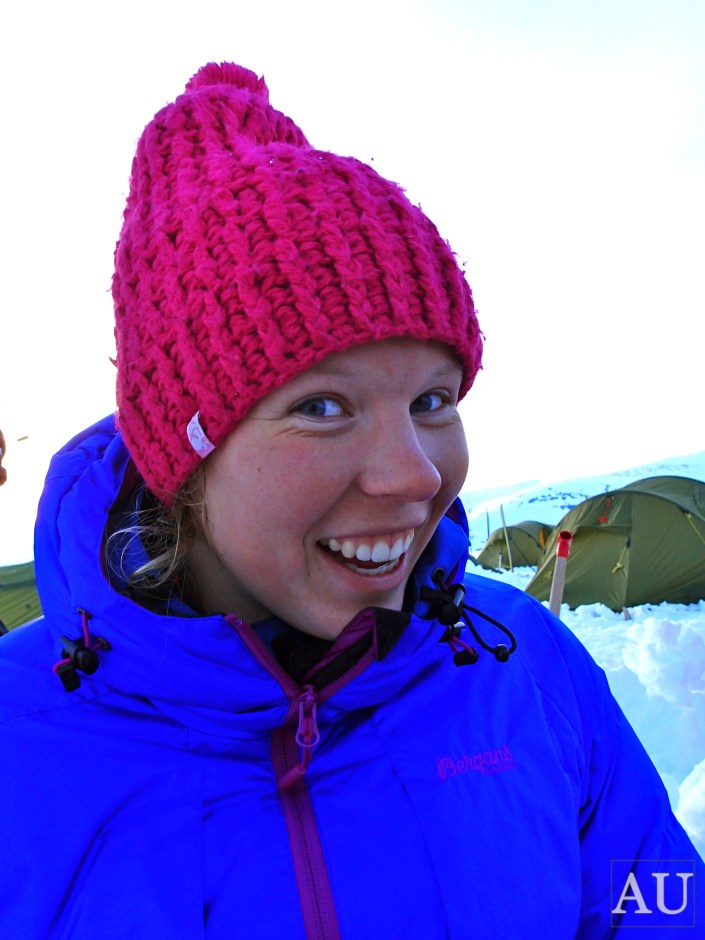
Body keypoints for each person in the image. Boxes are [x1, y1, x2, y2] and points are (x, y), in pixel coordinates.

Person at [0, 62, 702, 939]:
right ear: (186, 452)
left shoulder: (525, 669)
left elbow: (655, 905)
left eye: (432, 400)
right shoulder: (19, 745)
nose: (414, 476)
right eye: (323, 407)